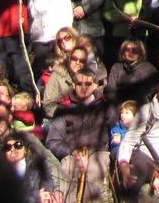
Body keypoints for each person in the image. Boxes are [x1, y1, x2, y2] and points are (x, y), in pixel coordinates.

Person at [44, 69, 111, 198]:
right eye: (79, 84)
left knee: (93, 171)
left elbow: (116, 131)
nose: (84, 87)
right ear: (73, 85)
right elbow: (53, 141)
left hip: (98, 152)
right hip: (72, 152)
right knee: (67, 168)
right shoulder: (64, 108)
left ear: (95, 85)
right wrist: (73, 152)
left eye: (88, 84)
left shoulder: (105, 106)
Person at [0, 130, 62, 203]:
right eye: (8, 147)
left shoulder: (37, 166)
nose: (13, 150)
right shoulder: (1, 175)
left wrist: (47, 193)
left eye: (18, 145)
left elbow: (49, 180)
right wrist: (36, 197)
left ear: (25, 150)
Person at [105, 38, 159, 109]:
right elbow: (111, 91)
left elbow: (152, 93)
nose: (131, 52)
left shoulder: (149, 69)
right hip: (119, 107)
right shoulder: (116, 67)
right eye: (127, 50)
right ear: (123, 52)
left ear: (141, 52)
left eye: (134, 50)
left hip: (141, 107)